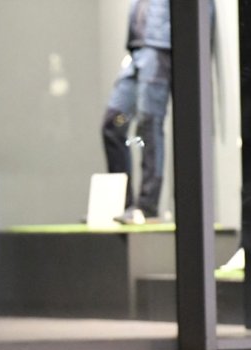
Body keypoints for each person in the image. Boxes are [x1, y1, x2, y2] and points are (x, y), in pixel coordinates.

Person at [101, 0, 172, 222]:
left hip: (159, 49)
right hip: (138, 48)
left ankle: (147, 205)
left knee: (148, 124)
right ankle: (124, 203)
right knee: (113, 124)